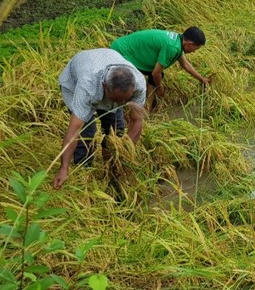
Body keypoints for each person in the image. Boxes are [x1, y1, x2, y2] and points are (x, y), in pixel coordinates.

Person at [53, 48, 147, 190]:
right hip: (74, 83)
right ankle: (84, 171)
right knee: (87, 133)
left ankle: (110, 168)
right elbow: (74, 130)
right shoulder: (87, 86)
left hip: (105, 69)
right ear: (104, 87)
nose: (121, 104)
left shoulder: (138, 84)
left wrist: (124, 152)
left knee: (115, 130)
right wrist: (63, 167)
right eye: (117, 100)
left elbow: (136, 120)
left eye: (125, 100)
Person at [110, 27, 209, 110]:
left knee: (157, 77)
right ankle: (131, 111)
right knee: (132, 81)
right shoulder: (172, 47)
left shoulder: (177, 41)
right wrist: (160, 88)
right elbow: (155, 73)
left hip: (124, 48)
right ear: (189, 44)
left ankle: (146, 109)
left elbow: (185, 64)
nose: (194, 52)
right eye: (196, 49)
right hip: (121, 53)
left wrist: (202, 79)